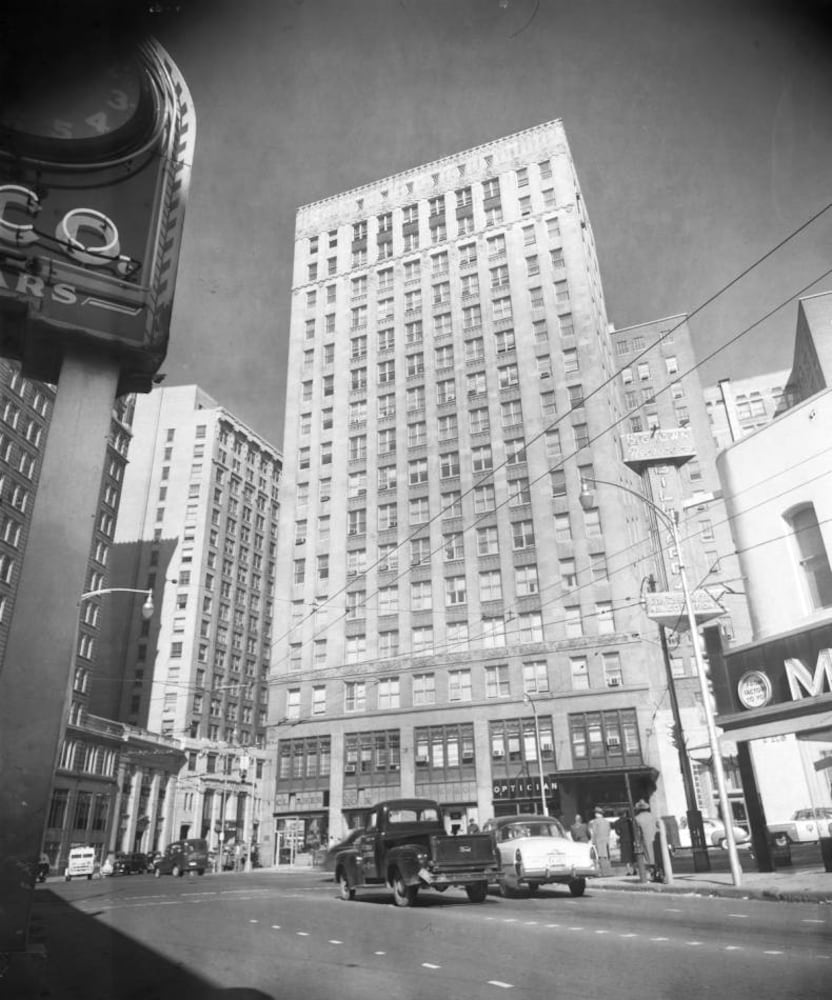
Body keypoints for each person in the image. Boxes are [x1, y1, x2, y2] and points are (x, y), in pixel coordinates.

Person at [634, 798, 658, 878]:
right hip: (655, 838)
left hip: (645, 839)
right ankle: (657, 872)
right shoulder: (653, 816)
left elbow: (637, 832)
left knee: (648, 857)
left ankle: (651, 873)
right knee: (656, 855)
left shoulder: (637, 818)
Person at [588, 807, 612, 873]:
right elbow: (608, 831)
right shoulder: (606, 822)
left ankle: (602, 871)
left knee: (600, 856)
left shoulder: (595, 822)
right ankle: (608, 871)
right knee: (606, 856)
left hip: (598, 840)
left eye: (596, 813)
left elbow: (594, 832)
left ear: (598, 814)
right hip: (606, 840)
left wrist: (593, 842)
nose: (595, 814)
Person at [614, 811, 636, 876]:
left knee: (626, 857)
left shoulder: (617, 822)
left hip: (623, 840)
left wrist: (621, 833)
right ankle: (634, 870)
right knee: (632, 856)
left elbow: (617, 832)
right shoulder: (629, 821)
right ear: (625, 814)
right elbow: (633, 830)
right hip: (630, 840)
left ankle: (628, 871)